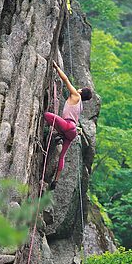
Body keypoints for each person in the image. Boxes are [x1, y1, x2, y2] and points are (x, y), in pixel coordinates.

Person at [44, 60, 93, 189]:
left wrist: (56, 67)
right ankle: (56, 180)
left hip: (67, 126)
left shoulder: (75, 95)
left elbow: (65, 79)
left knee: (47, 116)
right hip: (71, 132)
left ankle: (59, 133)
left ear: (81, 91)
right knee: (62, 156)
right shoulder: (81, 105)